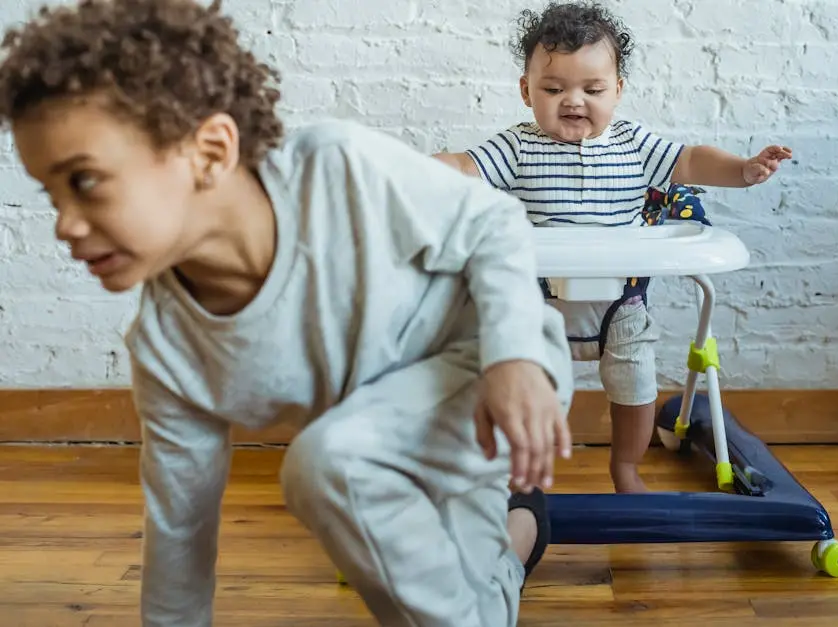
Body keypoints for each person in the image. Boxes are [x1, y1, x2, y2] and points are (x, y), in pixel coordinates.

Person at [0, 0, 574, 625]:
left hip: (501, 372)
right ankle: (518, 539)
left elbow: (492, 222)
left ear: (210, 150)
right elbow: (180, 531)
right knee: (447, 580)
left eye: (83, 180)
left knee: (331, 465)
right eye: (49, 193)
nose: (63, 224)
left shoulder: (337, 167)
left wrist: (513, 357)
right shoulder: (168, 350)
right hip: (383, 436)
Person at [433, 0, 792, 494]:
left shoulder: (635, 144)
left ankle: (625, 468)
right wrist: (409, 169)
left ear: (617, 91)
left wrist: (741, 171)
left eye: (592, 88)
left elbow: (690, 161)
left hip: (620, 303)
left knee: (637, 389)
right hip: (538, 304)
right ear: (526, 91)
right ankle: (520, 481)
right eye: (553, 88)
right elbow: (463, 166)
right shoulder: (517, 147)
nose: (573, 100)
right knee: (526, 387)